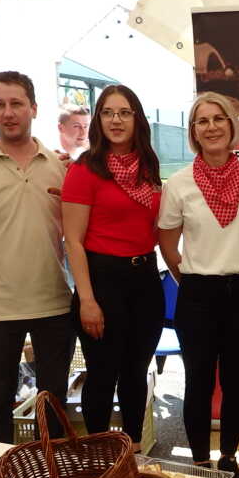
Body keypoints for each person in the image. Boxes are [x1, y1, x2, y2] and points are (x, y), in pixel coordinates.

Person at [0, 71, 75, 444]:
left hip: (54, 302)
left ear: (33, 108)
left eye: (17, 103)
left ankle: (53, 469)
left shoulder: (61, 167)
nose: (8, 112)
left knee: (54, 402)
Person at [157, 92, 239, 478]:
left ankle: (230, 459)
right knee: (199, 382)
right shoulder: (179, 184)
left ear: (231, 126)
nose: (212, 127)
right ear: (194, 132)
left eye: (219, 118)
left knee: (236, 382)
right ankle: (202, 464)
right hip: (197, 296)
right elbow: (167, 243)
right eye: (202, 121)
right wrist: (192, 280)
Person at [61, 85, 163, 451]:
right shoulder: (85, 169)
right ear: (98, 120)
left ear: (137, 119)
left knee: (136, 372)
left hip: (145, 280)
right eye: (107, 112)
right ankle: (99, 454)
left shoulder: (148, 167)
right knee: (103, 374)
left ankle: (132, 452)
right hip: (102, 282)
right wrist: (87, 300)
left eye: (124, 112)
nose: (116, 120)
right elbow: (73, 241)